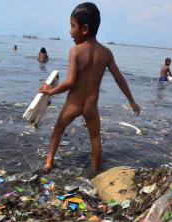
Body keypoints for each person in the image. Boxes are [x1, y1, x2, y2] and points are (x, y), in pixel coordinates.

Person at [39, 2, 140, 173]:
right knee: (95, 137)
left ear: (84, 29)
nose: (70, 31)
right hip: (91, 105)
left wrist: (50, 91)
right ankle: (95, 170)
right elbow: (120, 79)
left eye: (72, 26)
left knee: (58, 129)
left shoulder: (75, 51)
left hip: (74, 103)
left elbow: (70, 82)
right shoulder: (106, 53)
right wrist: (132, 101)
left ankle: (49, 162)